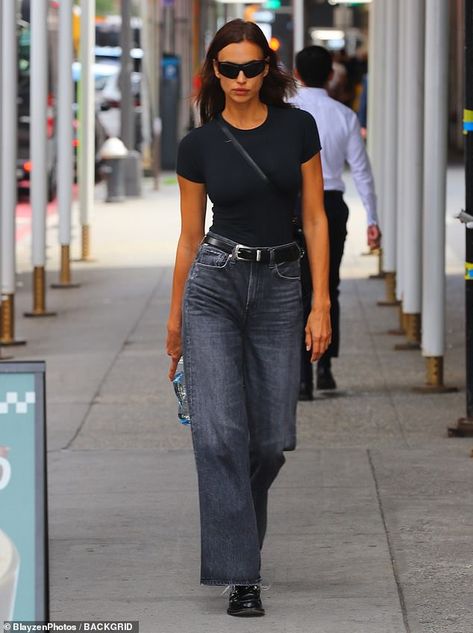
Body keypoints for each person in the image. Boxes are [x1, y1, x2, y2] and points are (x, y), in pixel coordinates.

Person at [166, 20, 331, 617]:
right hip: (214, 284)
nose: (240, 79)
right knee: (219, 436)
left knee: (269, 443)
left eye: (251, 68)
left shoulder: (298, 127)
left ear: (269, 70)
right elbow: (189, 239)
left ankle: (235, 530)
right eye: (229, 69)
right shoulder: (199, 144)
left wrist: (321, 302)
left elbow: (315, 218)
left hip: (283, 288)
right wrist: (175, 320)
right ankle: (242, 573)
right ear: (215, 71)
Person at [291, 45, 381, 398]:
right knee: (329, 285)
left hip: (295, 205)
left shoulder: (286, 111)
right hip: (331, 204)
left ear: (296, 74)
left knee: (298, 289)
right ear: (331, 74)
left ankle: (302, 377)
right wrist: (372, 218)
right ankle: (325, 367)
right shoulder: (344, 115)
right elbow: (362, 172)